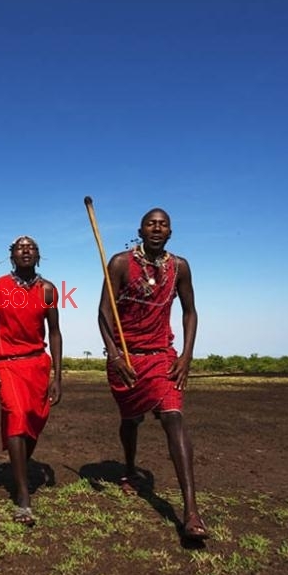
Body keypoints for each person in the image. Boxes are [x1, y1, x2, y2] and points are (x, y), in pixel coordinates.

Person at [98, 208, 208, 540]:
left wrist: (187, 355)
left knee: (173, 417)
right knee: (131, 420)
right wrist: (115, 354)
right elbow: (104, 313)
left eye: (163, 224)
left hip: (162, 356)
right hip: (128, 360)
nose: (157, 228)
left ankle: (190, 512)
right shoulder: (119, 263)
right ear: (140, 230)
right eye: (151, 223)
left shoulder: (180, 268)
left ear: (170, 232)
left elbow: (190, 312)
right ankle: (129, 470)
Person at [0, 236, 62, 526]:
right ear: (11, 255)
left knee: (33, 421)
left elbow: (54, 333)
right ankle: (23, 497)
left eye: (32, 247)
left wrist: (58, 377)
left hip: (37, 365)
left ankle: (19, 468)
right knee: (16, 416)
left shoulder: (48, 290)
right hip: (8, 364)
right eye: (20, 247)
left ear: (38, 256)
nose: (26, 250)